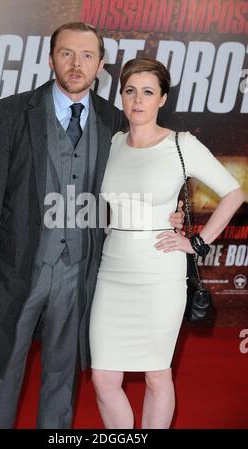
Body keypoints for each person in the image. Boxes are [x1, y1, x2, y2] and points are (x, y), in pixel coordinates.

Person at [0, 24, 184, 429]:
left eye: (87, 56)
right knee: (2, 371)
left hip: (81, 272)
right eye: (66, 53)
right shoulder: (10, 113)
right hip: (17, 271)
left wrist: (168, 217)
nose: (76, 64)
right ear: (50, 59)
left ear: (100, 65)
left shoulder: (116, 121)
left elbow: (137, 185)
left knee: (62, 376)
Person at [89, 57, 245, 429]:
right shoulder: (112, 143)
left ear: (162, 99)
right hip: (112, 270)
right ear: (121, 97)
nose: (137, 100)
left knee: (156, 375)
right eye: (130, 91)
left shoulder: (181, 144)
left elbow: (234, 194)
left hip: (160, 274)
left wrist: (198, 243)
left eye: (147, 92)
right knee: (103, 379)